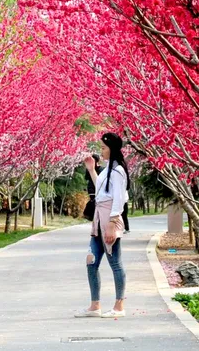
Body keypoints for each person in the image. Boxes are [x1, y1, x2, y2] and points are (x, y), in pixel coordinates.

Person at [76, 132, 127, 318]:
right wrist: (91, 170)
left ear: (112, 149)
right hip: (98, 220)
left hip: (110, 220)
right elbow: (101, 190)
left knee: (115, 263)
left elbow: (119, 198)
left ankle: (119, 305)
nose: (101, 151)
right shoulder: (106, 170)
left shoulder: (118, 171)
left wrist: (112, 225)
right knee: (91, 261)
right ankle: (94, 305)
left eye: (104, 148)